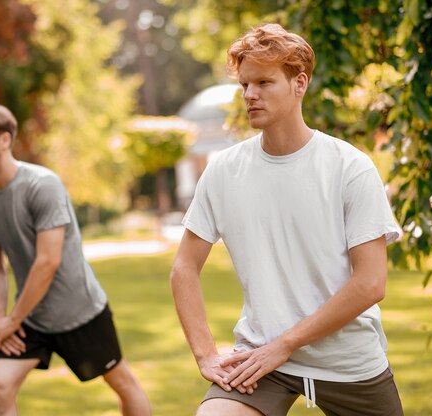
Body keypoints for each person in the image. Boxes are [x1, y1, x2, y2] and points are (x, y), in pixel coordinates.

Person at [170, 23, 404, 416]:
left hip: (347, 363)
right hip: (261, 359)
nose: (250, 95)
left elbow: (370, 283)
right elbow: (184, 268)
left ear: (300, 83)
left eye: (264, 82)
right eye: (245, 85)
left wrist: (286, 344)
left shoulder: (350, 168)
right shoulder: (224, 171)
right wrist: (205, 354)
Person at [0, 103, 151, 416]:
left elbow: (48, 261)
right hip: (32, 317)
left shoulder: (41, 185)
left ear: (5, 140)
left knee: (123, 383)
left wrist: (12, 320)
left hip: (79, 311)